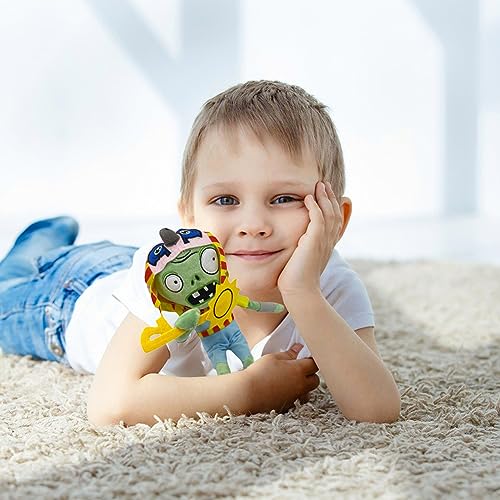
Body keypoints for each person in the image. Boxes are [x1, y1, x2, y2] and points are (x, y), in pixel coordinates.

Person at [0, 80, 401, 426]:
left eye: (283, 198)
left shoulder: (330, 284)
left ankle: (51, 238)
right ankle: (35, 248)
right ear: (189, 220)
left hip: (114, 269)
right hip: (67, 300)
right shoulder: (169, 280)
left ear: (335, 218)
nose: (253, 225)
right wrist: (247, 391)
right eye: (226, 199)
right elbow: (110, 405)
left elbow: (377, 408)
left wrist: (302, 292)